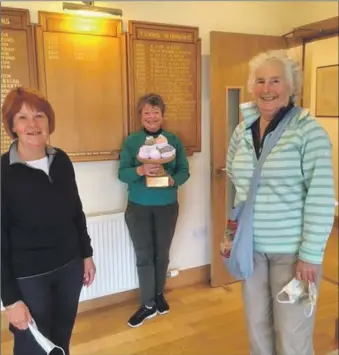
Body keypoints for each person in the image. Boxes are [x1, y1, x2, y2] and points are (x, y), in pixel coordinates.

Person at [226, 50, 335, 355]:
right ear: (252, 87)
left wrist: (310, 255)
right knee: (258, 330)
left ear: (292, 87)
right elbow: (237, 181)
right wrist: (233, 235)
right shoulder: (242, 131)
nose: (267, 88)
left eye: (275, 80)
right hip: (251, 249)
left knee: (292, 335)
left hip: (292, 252)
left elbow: (321, 195)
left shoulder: (308, 132)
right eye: (260, 81)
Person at [1, 87, 96, 355]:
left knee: (60, 341)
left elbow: (76, 211)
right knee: (32, 347)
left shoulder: (62, 160)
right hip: (29, 278)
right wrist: (10, 300)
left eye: (39, 116)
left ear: (49, 122)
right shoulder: (4, 172)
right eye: (22, 117)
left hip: (69, 269)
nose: (32, 124)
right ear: (12, 126)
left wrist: (86, 254)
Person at [118, 93, 190, 328]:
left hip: (167, 206)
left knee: (162, 253)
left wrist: (172, 180)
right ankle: (147, 304)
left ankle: (159, 295)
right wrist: (140, 170)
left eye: (155, 112)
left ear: (162, 115)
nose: (151, 116)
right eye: (147, 112)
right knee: (144, 255)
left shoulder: (173, 140)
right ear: (141, 115)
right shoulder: (132, 141)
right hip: (138, 206)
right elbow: (122, 174)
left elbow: (183, 170)